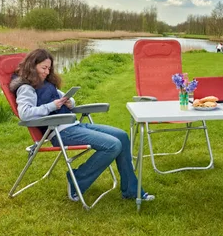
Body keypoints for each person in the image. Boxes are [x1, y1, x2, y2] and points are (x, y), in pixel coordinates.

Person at [10, 48, 155, 203]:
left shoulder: (45, 83)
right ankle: (77, 180)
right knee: (112, 145)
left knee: (122, 136)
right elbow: (25, 113)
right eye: (43, 68)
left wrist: (68, 101)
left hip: (73, 125)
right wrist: (52, 106)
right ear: (32, 66)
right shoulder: (26, 87)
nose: (47, 72)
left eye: (49, 68)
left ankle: (131, 190)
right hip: (59, 132)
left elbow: (65, 99)